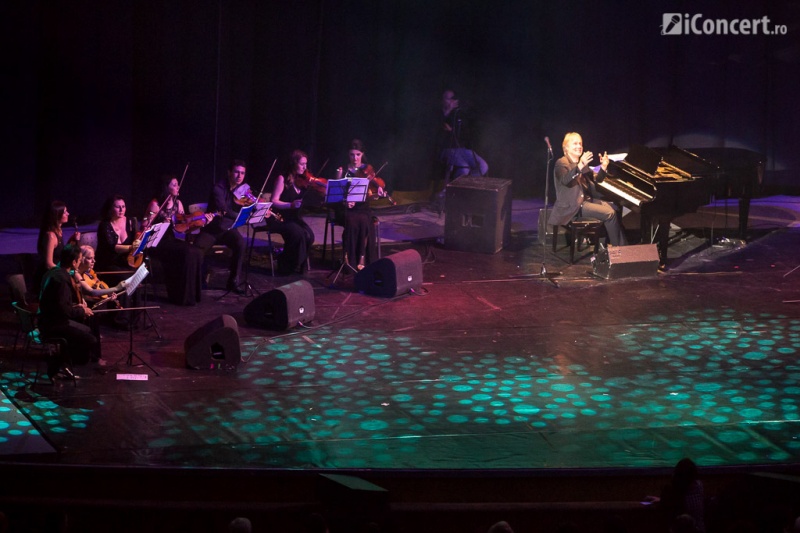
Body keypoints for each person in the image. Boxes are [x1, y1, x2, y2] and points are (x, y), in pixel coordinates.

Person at [548, 132, 628, 246]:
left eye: (580, 143)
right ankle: (619, 250)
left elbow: (596, 180)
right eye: (575, 143)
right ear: (566, 147)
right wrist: (580, 165)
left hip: (584, 202)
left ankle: (607, 244)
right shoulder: (561, 163)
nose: (579, 146)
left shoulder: (582, 164)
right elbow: (565, 180)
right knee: (609, 213)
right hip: (572, 207)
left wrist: (604, 167)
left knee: (615, 207)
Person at [37, 244, 99, 379]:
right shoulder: (62, 280)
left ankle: (62, 364)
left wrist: (77, 307)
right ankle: (58, 364)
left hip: (47, 319)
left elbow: (58, 304)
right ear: (74, 262)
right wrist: (82, 312)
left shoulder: (53, 272)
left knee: (87, 330)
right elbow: (63, 311)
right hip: (53, 325)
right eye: (79, 259)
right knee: (90, 339)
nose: (80, 262)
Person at [143, 175, 204, 305]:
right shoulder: (156, 204)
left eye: (177, 184)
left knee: (196, 252)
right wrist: (159, 223)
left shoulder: (178, 203)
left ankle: (191, 295)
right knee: (187, 252)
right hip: (157, 242)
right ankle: (181, 296)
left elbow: (182, 227)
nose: (178, 187)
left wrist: (195, 224)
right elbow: (144, 224)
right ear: (167, 187)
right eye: (174, 184)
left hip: (170, 239)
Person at [192, 160, 248, 294]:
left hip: (228, 230)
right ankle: (197, 281)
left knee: (240, 243)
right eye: (236, 172)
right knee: (198, 249)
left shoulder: (241, 190)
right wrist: (241, 217)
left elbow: (247, 203)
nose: (239, 176)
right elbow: (224, 209)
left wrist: (256, 207)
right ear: (229, 173)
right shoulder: (218, 188)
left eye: (242, 173)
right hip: (212, 230)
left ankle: (233, 281)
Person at [267, 150, 316, 275]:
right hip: (279, 217)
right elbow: (274, 201)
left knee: (310, 235)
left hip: (293, 217)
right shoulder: (282, 178)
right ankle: (285, 262)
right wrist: (291, 205)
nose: (305, 167)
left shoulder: (301, 180)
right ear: (294, 163)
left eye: (306, 164)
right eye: (302, 164)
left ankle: (297, 263)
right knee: (297, 234)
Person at [334, 139, 380, 270]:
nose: (355, 158)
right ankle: (350, 261)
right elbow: (337, 192)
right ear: (348, 155)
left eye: (358, 154)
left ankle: (363, 258)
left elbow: (372, 191)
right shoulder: (342, 169)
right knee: (353, 222)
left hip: (363, 207)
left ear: (362, 154)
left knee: (365, 220)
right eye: (352, 155)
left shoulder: (368, 170)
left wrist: (378, 190)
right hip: (346, 208)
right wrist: (346, 200)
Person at [433, 89, 489, 191]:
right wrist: (447, 112)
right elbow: (436, 129)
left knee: (483, 166)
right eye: (448, 99)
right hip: (446, 149)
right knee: (463, 167)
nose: (452, 101)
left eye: (453, 99)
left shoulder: (459, 113)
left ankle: (464, 190)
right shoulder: (437, 113)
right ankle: (447, 194)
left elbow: (466, 132)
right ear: (442, 100)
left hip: (461, 149)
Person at [34, 200, 79, 296]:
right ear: (57, 215)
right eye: (65, 212)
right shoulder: (50, 235)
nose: (68, 214)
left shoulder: (59, 231)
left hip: (57, 274)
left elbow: (59, 251)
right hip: (49, 278)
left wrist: (72, 240)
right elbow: (49, 264)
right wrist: (65, 274)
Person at [96, 194, 141, 284]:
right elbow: (111, 247)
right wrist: (131, 247)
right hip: (109, 264)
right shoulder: (104, 225)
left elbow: (137, 238)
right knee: (127, 279)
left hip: (126, 262)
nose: (121, 210)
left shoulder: (131, 221)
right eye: (118, 207)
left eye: (123, 207)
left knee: (139, 275)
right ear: (110, 208)